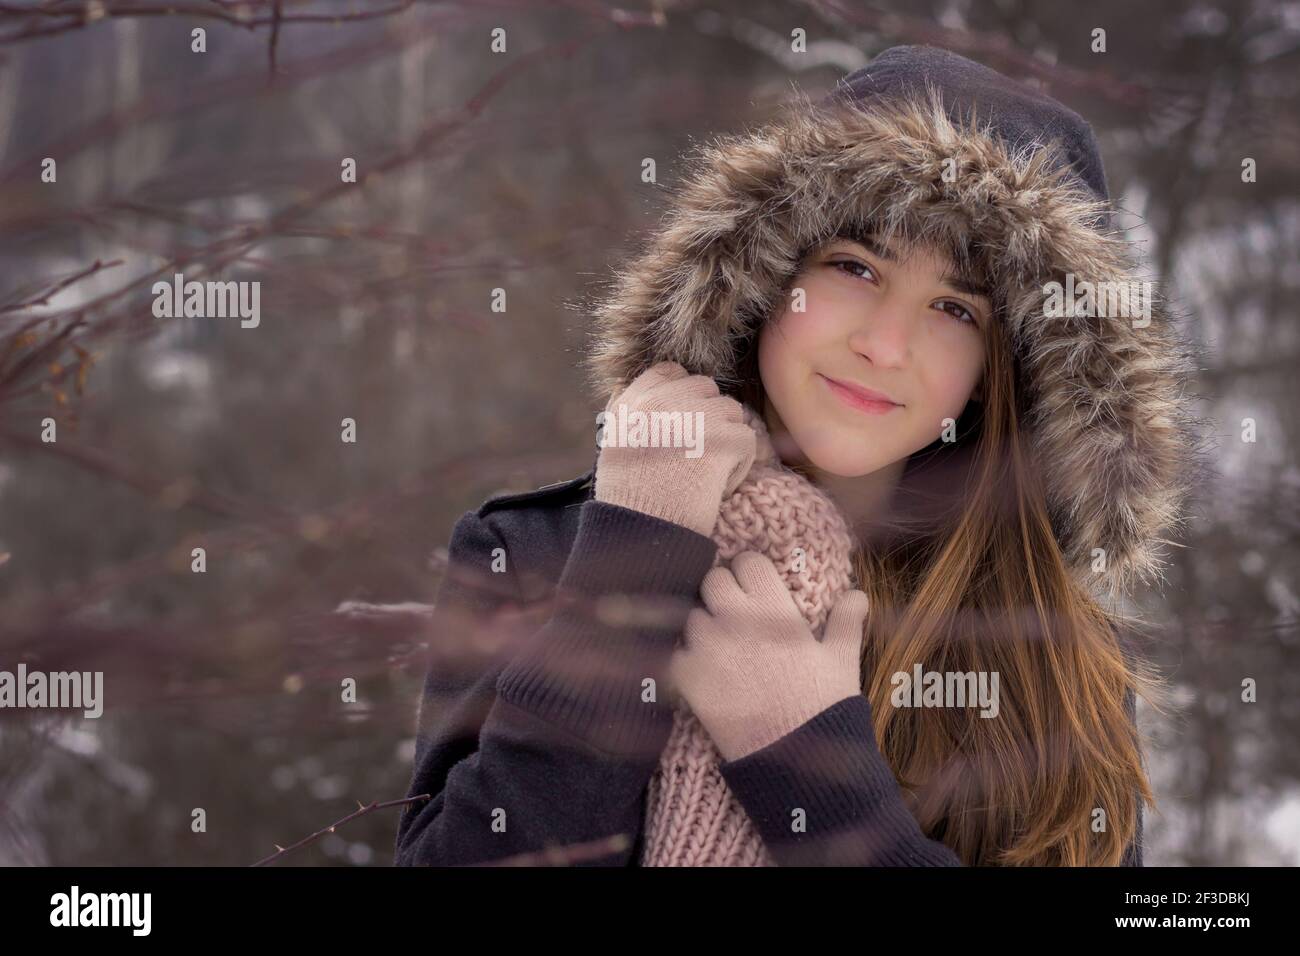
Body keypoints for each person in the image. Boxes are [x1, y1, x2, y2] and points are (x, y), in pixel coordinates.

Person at [393, 45, 1210, 866]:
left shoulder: (1057, 660)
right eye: (855, 266)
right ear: (765, 269)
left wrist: (810, 772)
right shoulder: (531, 556)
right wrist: (630, 569)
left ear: (1013, 373)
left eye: (956, 309)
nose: (885, 345)